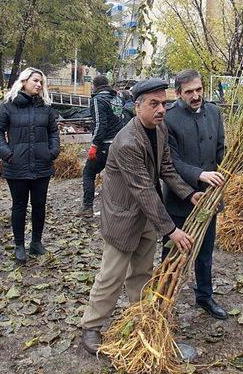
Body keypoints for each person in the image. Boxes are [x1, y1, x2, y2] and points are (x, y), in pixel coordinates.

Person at [80, 78, 202, 355]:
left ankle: (138, 319)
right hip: (123, 215)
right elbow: (143, 189)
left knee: (143, 273)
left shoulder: (159, 130)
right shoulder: (126, 142)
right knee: (111, 275)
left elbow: (167, 168)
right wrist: (172, 230)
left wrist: (188, 193)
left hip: (147, 215)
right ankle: (91, 326)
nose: (161, 109)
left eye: (164, 103)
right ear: (137, 107)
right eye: (153, 104)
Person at [162, 69, 228, 320]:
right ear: (178, 93)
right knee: (172, 252)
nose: (196, 95)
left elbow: (221, 150)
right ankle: (163, 298)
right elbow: (170, 161)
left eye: (199, 89)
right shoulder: (169, 119)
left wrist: (229, 167)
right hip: (180, 199)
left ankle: (204, 296)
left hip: (209, 199)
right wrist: (200, 175)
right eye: (189, 91)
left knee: (205, 251)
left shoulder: (214, 112)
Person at [0, 67, 60, 264]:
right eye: (35, 81)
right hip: (17, 166)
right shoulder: (8, 106)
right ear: (24, 81)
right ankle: (19, 245)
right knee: (19, 206)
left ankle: (36, 243)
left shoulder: (45, 107)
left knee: (39, 205)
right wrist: (7, 154)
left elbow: (53, 132)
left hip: (41, 165)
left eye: (41, 82)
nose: (39, 85)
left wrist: (52, 151)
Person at [78, 75, 123, 217]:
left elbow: (100, 123)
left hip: (105, 145)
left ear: (94, 85)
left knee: (89, 173)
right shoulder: (117, 99)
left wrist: (94, 145)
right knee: (115, 177)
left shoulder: (98, 100)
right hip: (119, 144)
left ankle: (87, 207)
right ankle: (118, 209)